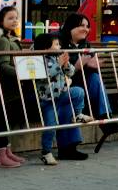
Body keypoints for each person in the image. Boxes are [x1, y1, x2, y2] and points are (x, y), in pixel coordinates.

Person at [58, 14, 118, 144]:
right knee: (87, 84)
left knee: (95, 77)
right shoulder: (59, 43)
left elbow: (91, 65)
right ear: (70, 27)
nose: (85, 29)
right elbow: (58, 71)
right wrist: (79, 66)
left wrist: (91, 65)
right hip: (65, 86)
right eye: (81, 26)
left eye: (87, 26)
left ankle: (106, 119)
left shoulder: (85, 44)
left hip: (84, 86)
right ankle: (105, 121)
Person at [0, 6, 30, 168]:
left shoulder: (12, 39)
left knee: (7, 119)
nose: (14, 20)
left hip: (13, 88)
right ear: (0, 21)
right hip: (3, 88)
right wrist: (21, 73)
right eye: (10, 18)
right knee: (1, 121)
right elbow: (2, 65)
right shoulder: (2, 40)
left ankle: (7, 151)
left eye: (16, 17)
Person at [32, 33, 89, 165]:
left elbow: (71, 72)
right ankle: (46, 152)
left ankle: (78, 113)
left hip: (62, 94)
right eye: (56, 44)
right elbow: (45, 75)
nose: (59, 47)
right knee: (50, 126)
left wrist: (66, 64)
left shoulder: (57, 58)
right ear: (46, 48)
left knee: (78, 92)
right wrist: (58, 64)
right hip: (48, 100)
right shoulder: (40, 60)